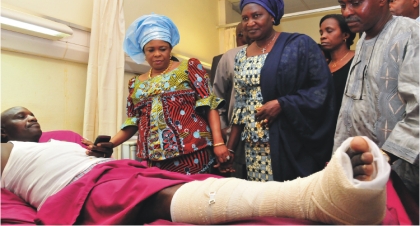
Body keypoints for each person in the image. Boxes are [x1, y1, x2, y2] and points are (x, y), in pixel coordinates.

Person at [1, 106, 391, 225]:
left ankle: (319, 199)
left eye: (33, 112)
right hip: (79, 189)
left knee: (198, 182)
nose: (31, 117)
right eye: (20, 115)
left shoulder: (62, 138)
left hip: (119, 170)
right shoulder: (6, 155)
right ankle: (312, 197)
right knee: (152, 195)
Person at [224, 0, 336, 182]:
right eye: (245, 18)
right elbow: (240, 107)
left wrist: (283, 103)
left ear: (273, 16)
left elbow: (322, 89)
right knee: (260, 202)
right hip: (252, 145)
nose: (249, 23)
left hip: (286, 142)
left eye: (256, 15)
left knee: (285, 201)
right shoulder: (240, 56)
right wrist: (230, 148)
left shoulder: (298, 45)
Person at [101, 14, 229, 175]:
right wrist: (110, 144)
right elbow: (133, 122)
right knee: (165, 199)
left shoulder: (189, 68)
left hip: (194, 153)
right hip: (154, 160)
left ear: (170, 49)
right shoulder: (135, 84)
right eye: (150, 50)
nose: (157, 54)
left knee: (194, 197)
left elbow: (210, 104)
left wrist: (218, 143)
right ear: (143, 52)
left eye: (163, 49)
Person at [336, 0, 419, 202]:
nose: (346, 12)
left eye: (355, 3)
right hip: (364, 170)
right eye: (343, 5)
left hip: (400, 170)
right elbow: (351, 105)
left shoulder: (412, 33)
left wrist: (384, 157)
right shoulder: (362, 39)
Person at [213, 23, 251, 179]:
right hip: (235, 134)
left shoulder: (272, 54)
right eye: (240, 34)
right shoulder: (229, 57)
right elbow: (217, 97)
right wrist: (222, 128)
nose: (243, 37)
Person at [319, 14, 356, 125]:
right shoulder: (322, 68)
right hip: (329, 129)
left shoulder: (359, 60)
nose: (323, 36)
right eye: (321, 32)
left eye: (329, 31)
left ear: (345, 35)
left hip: (354, 128)